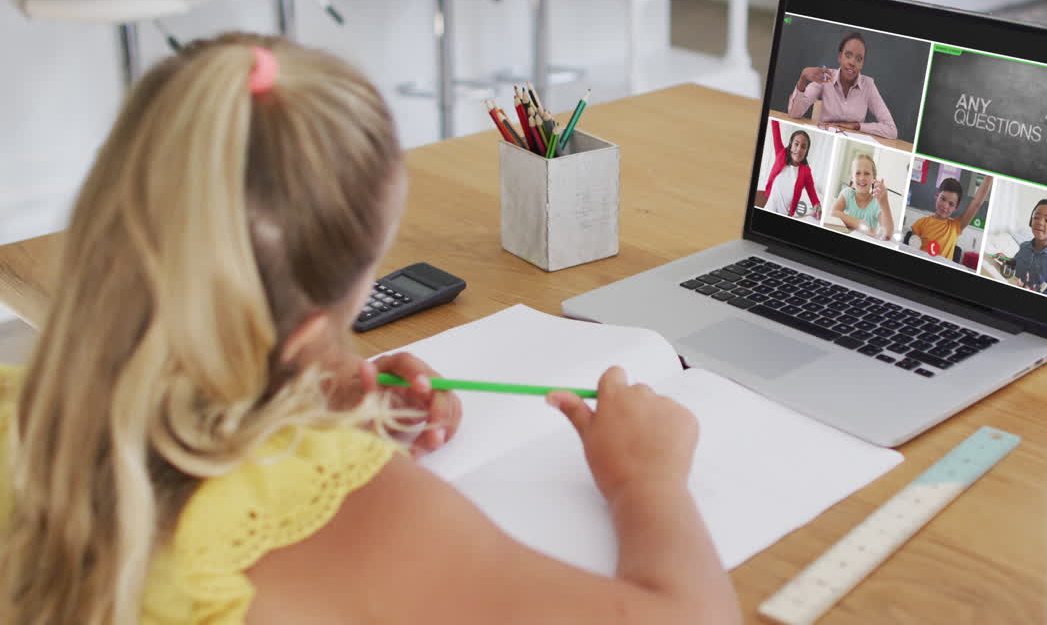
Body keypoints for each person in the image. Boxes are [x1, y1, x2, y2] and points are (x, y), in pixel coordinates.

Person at [0, 34, 740, 625]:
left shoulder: (17, 413)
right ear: (304, 332)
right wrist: (646, 480)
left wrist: (292, 408)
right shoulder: (348, 516)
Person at [787, 32, 898, 139]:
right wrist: (803, 77)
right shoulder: (826, 77)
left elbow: (891, 130)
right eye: (848, 55)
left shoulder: (868, 85)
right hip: (825, 135)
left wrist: (857, 126)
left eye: (859, 59)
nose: (852, 62)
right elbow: (794, 113)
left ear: (862, 64)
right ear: (840, 57)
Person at [910, 174, 993, 262]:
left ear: (956, 208)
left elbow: (976, 203)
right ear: (936, 196)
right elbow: (912, 249)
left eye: (951, 204)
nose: (945, 205)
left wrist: (990, 176)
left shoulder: (956, 226)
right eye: (943, 199)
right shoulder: (920, 223)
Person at [1009, 198, 1047, 298]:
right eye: (1036, 217)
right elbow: (1014, 263)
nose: (1040, 222)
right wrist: (1005, 260)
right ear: (1031, 221)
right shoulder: (1024, 246)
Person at [832, 152, 894, 239]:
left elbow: (887, 234)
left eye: (867, 173)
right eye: (857, 173)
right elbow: (834, 213)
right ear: (851, 178)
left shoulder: (877, 203)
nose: (862, 178)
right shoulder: (847, 194)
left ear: (874, 178)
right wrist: (860, 225)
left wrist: (884, 201)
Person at [763, 128, 821, 219]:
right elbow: (775, 129)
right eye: (796, 144)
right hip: (767, 210)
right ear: (790, 145)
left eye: (803, 147)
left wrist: (817, 205)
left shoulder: (806, 171)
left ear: (806, 152)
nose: (799, 149)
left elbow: (812, 193)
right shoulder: (780, 154)